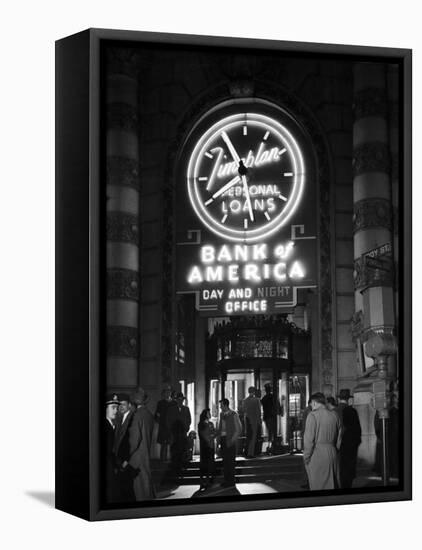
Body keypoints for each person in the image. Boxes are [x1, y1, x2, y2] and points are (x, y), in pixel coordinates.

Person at [303, 392, 342, 490]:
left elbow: (309, 440)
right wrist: (335, 450)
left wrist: (306, 457)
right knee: (334, 484)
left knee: (319, 486)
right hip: (332, 452)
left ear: (314, 402)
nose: (311, 406)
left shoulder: (312, 416)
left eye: (311, 404)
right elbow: (339, 437)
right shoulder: (335, 415)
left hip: (318, 454)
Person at [127, 388, 156, 501]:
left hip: (136, 457)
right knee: (145, 482)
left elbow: (134, 440)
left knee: (138, 489)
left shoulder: (136, 416)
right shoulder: (148, 414)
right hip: (145, 452)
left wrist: (125, 454)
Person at [337, 389, 362, 489]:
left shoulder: (335, 410)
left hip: (340, 442)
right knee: (350, 465)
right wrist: (357, 441)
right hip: (351, 443)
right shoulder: (352, 411)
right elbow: (358, 429)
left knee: (341, 465)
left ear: (339, 398)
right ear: (348, 399)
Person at [113, 394, 135, 502]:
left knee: (127, 489)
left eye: (124, 405)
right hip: (119, 458)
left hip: (127, 460)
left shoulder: (132, 418)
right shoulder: (120, 417)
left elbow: (132, 441)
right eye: (119, 405)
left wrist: (126, 460)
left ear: (129, 405)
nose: (121, 407)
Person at [166, 392, 191, 480]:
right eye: (179, 400)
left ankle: (181, 471)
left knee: (182, 452)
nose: (180, 401)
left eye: (182, 400)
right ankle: (175, 472)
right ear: (176, 400)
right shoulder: (171, 409)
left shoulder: (186, 409)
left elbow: (189, 419)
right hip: (174, 435)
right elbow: (168, 420)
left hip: (183, 434)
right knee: (174, 453)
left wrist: (186, 428)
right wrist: (171, 431)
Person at [218, 398, 242, 487]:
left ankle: (231, 481)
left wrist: (232, 440)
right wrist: (219, 440)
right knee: (225, 461)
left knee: (230, 461)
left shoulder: (233, 414)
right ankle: (226, 480)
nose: (220, 407)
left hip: (230, 440)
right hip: (223, 439)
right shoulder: (221, 414)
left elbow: (239, 429)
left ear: (225, 405)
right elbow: (220, 427)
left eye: (221, 405)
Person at [105, 393, 119, 502]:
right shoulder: (106, 426)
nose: (116, 411)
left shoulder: (111, 425)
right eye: (113, 408)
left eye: (117, 408)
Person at [198, 408, 216, 489]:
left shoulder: (211, 423)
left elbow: (215, 432)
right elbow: (202, 435)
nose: (210, 414)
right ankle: (202, 481)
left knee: (210, 463)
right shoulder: (201, 424)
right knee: (204, 463)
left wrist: (213, 435)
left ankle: (208, 480)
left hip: (211, 446)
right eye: (209, 413)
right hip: (205, 446)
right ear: (205, 414)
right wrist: (210, 437)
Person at [261, 383, 281, 454]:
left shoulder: (264, 399)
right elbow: (278, 406)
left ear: (266, 390)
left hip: (267, 417)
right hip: (273, 417)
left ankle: (270, 446)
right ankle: (272, 446)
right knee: (273, 432)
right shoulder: (273, 397)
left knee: (269, 431)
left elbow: (263, 408)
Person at [242, 386, 262, 458]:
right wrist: (259, 421)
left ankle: (246, 451)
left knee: (248, 436)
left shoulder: (245, 400)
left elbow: (244, 411)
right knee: (253, 437)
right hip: (254, 420)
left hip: (247, 420)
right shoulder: (256, 400)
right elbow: (259, 411)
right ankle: (251, 453)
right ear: (253, 392)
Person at [155, 387, 172, 462]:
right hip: (163, 427)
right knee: (164, 444)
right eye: (166, 392)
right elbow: (157, 415)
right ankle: (163, 460)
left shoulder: (174, 403)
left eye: (169, 392)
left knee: (172, 444)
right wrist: (160, 421)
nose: (167, 393)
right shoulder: (160, 403)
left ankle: (172, 460)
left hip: (171, 427)